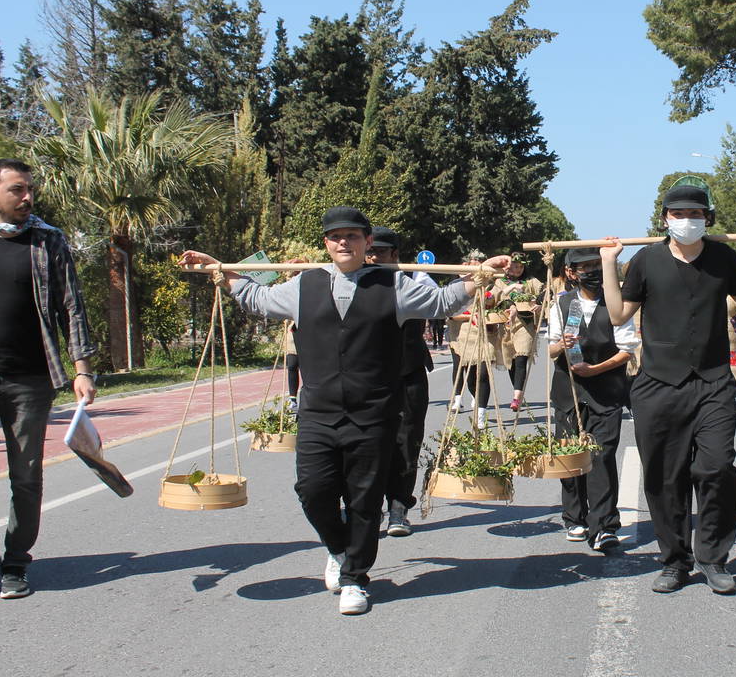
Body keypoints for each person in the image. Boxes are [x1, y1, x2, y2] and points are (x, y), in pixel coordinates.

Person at [180, 207, 507, 615]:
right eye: (335, 237)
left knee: (364, 500)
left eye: (352, 236)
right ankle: (337, 548)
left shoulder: (393, 285)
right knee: (312, 491)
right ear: (326, 244)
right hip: (318, 412)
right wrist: (220, 270)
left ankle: (355, 578)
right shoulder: (304, 286)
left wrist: (480, 277)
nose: (343, 243)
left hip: (374, 412)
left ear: (367, 243)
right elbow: (257, 298)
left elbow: (441, 302)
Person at [601, 183, 736, 594]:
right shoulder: (646, 260)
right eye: (677, 214)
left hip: (713, 382)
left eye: (694, 214)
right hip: (657, 385)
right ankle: (675, 560)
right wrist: (610, 263)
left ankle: (713, 557)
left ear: (706, 219)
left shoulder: (722, 257)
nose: (686, 221)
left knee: (715, 468)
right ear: (665, 219)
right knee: (664, 477)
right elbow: (618, 313)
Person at [0, 159, 97, 599]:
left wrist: (82, 369)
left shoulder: (47, 240)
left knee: (27, 475)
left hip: (31, 378)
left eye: (29, 190)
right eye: (17, 190)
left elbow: (72, 306)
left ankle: (15, 563)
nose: (27, 197)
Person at [548, 247, 638, 551]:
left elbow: (627, 350)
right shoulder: (561, 304)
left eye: (595, 265)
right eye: (584, 267)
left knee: (601, 455)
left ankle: (604, 525)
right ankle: (574, 517)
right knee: (570, 456)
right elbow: (550, 351)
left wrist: (596, 369)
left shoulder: (616, 305)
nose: (591, 272)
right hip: (568, 393)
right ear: (571, 273)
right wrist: (561, 344)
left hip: (605, 392)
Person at [366, 226, 434, 538]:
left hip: (408, 374)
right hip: (367, 378)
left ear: (394, 255)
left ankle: (398, 507)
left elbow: (443, 301)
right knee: (368, 445)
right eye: (370, 251)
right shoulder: (355, 284)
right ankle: (366, 505)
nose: (372, 256)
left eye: (379, 251)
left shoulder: (414, 284)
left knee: (407, 443)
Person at [448, 250, 499, 422]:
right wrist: (471, 316)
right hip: (464, 334)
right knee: (469, 375)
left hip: (486, 334)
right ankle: (468, 397)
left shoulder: (492, 284)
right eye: (473, 261)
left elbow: (501, 301)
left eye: (480, 261)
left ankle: (481, 414)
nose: (476, 263)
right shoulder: (459, 286)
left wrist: (506, 308)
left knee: (484, 374)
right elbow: (451, 313)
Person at [494, 253, 542, 412]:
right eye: (515, 266)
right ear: (508, 267)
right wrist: (513, 287)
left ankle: (516, 397)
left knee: (521, 358)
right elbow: (494, 298)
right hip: (506, 326)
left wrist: (539, 303)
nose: (518, 269)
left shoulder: (530, 282)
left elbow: (545, 290)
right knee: (511, 362)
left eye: (521, 266)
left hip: (525, 324)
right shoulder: (500, 282)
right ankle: (517, 390)